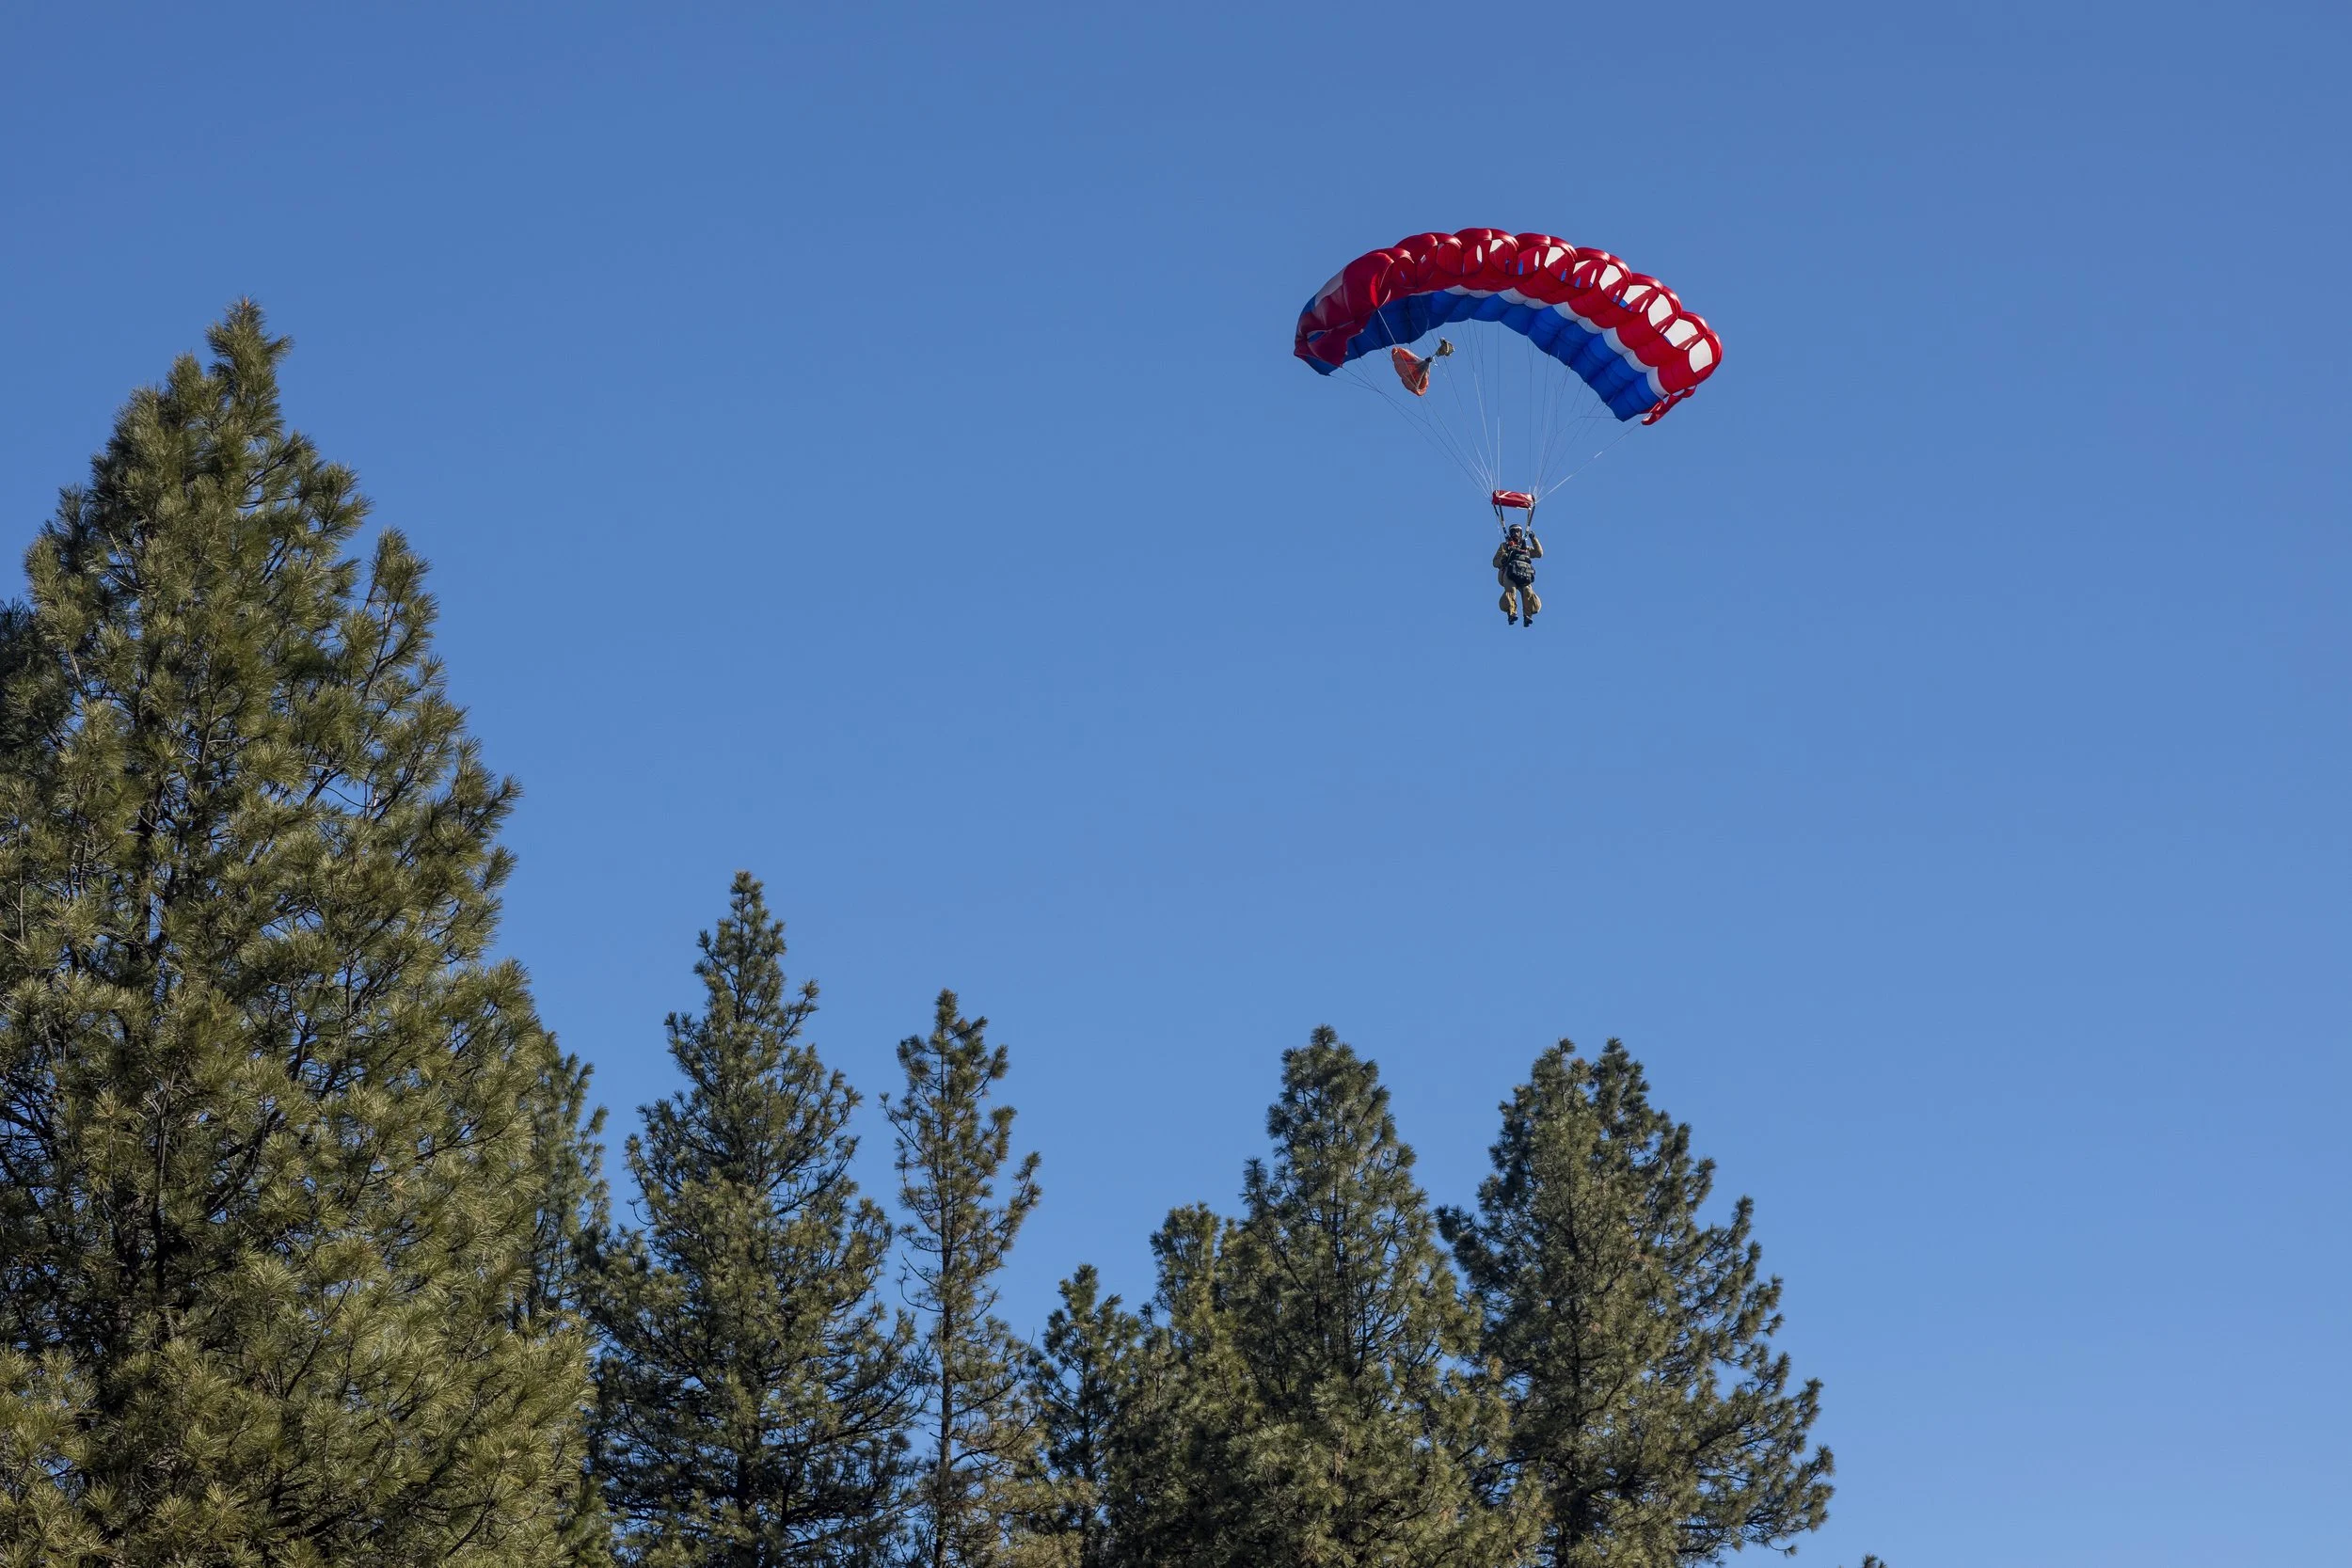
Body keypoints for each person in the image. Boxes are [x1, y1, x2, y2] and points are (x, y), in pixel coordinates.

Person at [1493, 522, 1542, 626]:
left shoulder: (1525, 548)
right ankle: (1511, 613)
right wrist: (1504, 559)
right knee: (1511, 590)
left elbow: (1538, 553)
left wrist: (1533, 538)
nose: (1515, 533)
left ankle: (1527, 616)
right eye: (1513, 531)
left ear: (1521, 533)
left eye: (1518, 531)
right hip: (1509, 573)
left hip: (1524, 574)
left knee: (1527, 591)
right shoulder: (1505, 547)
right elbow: (1495, 562)